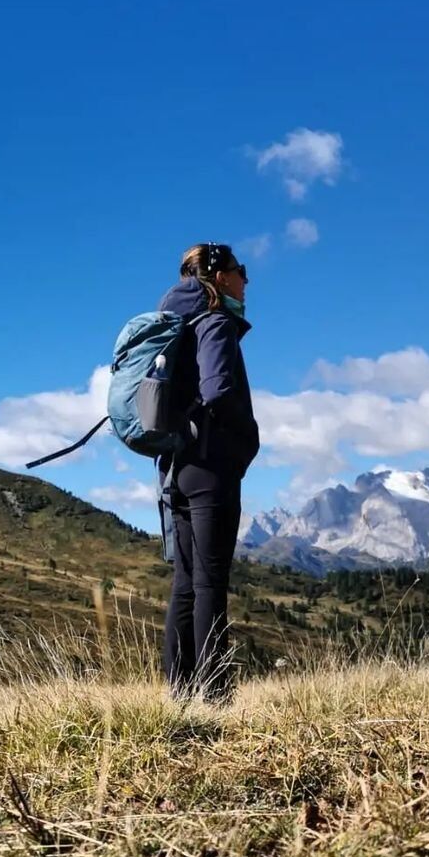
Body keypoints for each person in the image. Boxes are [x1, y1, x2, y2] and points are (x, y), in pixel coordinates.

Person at [157, 242, 259, 701]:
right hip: (211, 466)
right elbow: (217, 388)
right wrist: (245, 437)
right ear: (219, 276)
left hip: (176, 468)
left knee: (184, 585)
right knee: (210, 584)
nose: (246, 280)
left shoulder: (177, 325)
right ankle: (215, 698)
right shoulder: (215, 323)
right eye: (241, 271)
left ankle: (179, 697)